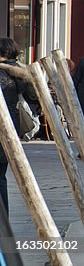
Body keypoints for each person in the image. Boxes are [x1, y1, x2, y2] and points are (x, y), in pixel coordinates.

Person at [0, 38, 38, 218]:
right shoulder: (20, 73)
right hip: (10, 129)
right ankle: (4, 217)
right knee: (1, 176)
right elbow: (34, 98)